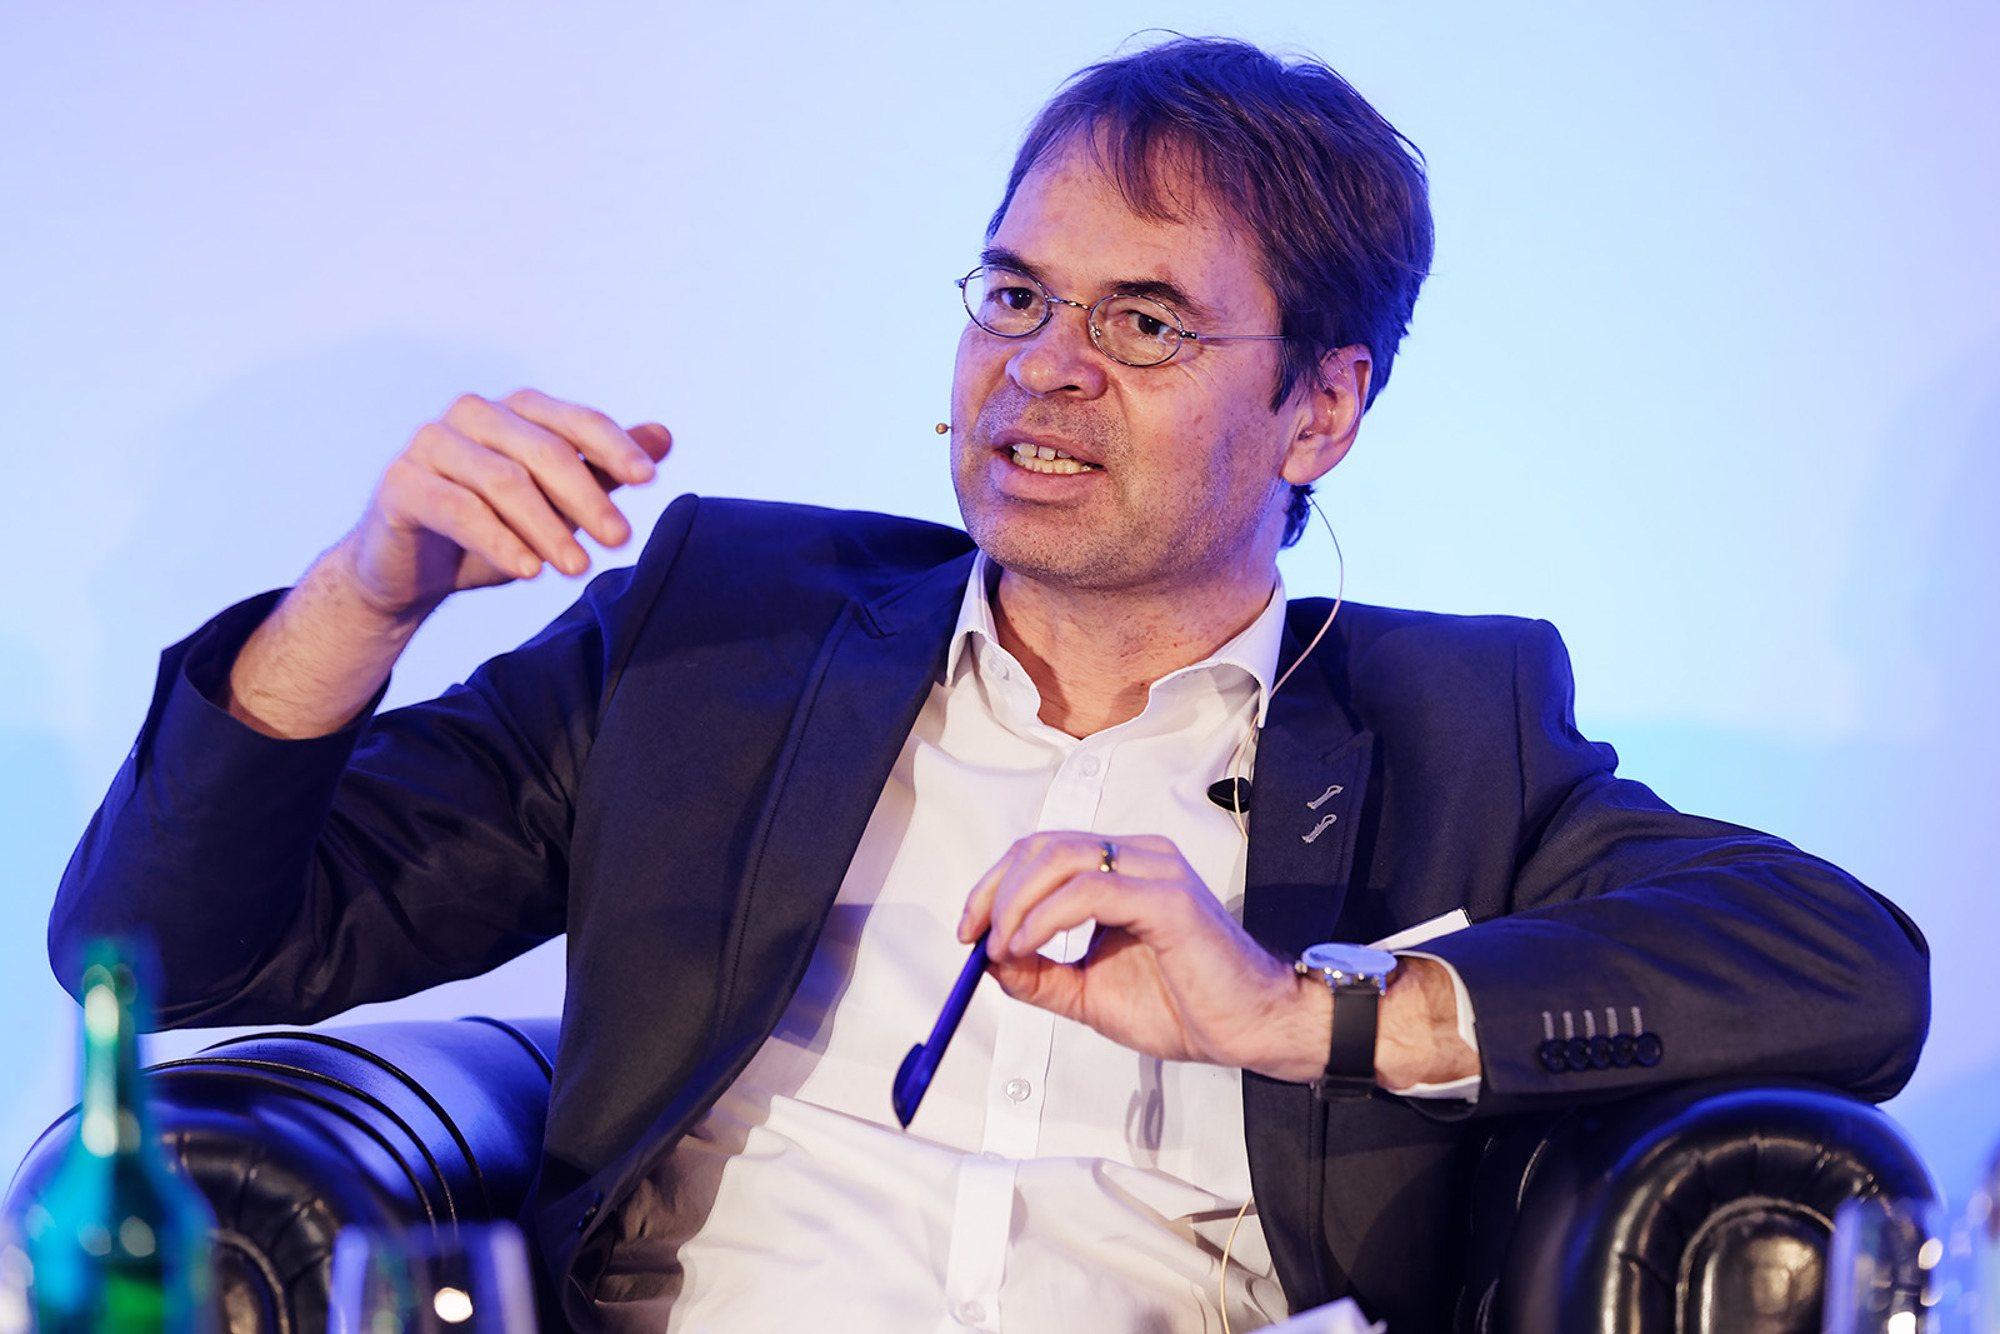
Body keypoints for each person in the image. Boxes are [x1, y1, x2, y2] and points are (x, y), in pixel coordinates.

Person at [51, 35, 1928, 1333]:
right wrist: (367, 594)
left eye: (1144, 322)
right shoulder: (724, 637)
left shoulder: (1456, 726)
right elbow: (159, 955)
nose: (1040, 367)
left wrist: (1307, 1013)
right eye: (1016, 295)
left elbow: (1850, 967)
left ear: (1322, 410)